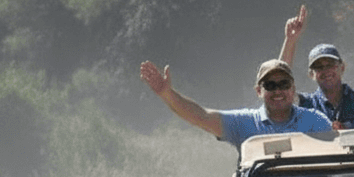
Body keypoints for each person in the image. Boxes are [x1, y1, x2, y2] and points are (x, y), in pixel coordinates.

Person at [138, 58, 332, 149]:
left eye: (284, 84)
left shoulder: (315, 122)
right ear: (258, 91)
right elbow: (201, 117)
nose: (278, 91)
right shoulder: (244, 123)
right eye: (270, 85)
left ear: (293, 89)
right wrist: (166, 93)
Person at [277, 5, 354, 128]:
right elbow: (277, 83)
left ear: (342, 68)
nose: (326, 70)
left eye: (330, 65)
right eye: (319, 67)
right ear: (311, 74)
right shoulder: (305, 104)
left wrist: (346, 131)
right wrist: (290, 40)